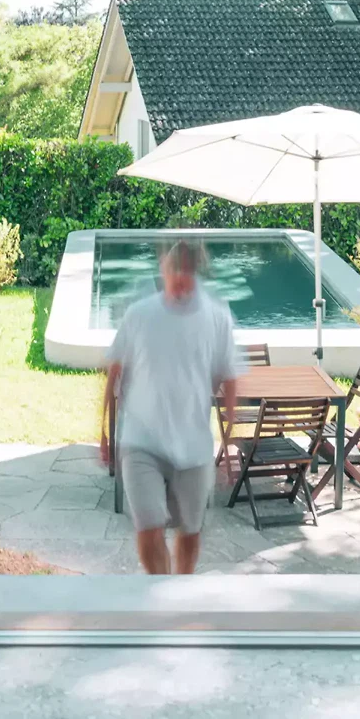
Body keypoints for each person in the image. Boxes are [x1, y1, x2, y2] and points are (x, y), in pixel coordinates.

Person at [99, 239, 239, 574]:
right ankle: (160, 586)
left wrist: (229, 439)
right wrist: (103, 431)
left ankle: (181, 586)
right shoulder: (139, 315)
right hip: (141, 442)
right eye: (174, 269)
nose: (179, 277)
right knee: (148, 527)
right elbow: (114, 372)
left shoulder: (217, 319)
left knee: (190, 532)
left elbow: (230, 377)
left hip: (193, 446)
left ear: (196, 274)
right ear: (163, 268)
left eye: (187, 271)